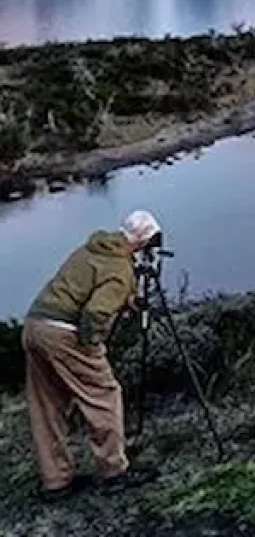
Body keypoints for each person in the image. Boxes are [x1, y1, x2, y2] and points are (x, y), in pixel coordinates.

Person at [23, 210, 162, 499]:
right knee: (103, 394)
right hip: (64, 332)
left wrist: (126, 298)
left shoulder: (92, 249)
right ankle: (113, 471)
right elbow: (97, 311)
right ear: (142, 242)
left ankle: (55, 480)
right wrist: (92, 344)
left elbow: (88, 288)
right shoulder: (121, 269)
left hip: (36, 326)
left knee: (47, 403)